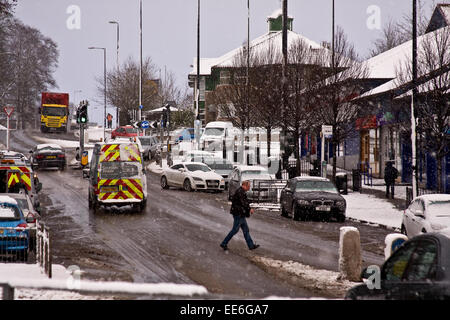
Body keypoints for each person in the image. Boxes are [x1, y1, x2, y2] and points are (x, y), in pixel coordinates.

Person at [220, 180, 259, 251]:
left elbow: (244, 202)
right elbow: (243, 203)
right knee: (235, 230)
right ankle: (224, 243)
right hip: (238, 214)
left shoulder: (242, 192)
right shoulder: (240, 192)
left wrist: (248, 207)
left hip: (241, 213)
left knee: (246, 230)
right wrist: (249, 209)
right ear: (244, 185)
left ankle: (251, 245)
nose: (249, 188)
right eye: (248, 186)